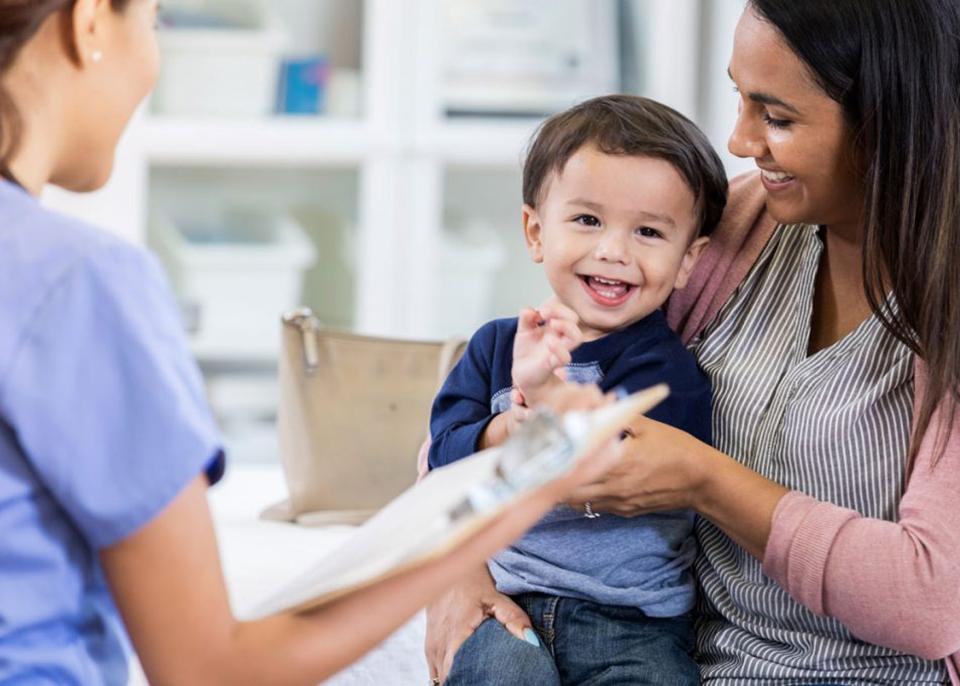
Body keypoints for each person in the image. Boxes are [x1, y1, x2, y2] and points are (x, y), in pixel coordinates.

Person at [0, 1, 624, 684]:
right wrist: (517, 500)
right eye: (151, 20)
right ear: (88, 21)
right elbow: (210, 669)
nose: (152, 62)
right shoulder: (80, 281)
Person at [426, 1, 960, 684]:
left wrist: (704, 479)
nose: (739, 141)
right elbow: (462, 429)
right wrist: (454, 580)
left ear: (891, 122)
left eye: (777, 117)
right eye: (740, 98)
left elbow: (931, 601)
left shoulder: (938, 305)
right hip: (695, 659)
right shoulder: (736, 224)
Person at [427, 95, 727, 685]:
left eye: (647, 231)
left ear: (688, 261)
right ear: (535, 232)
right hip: (505, 599)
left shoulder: (668, 368)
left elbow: (612, 470)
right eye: (588, 220)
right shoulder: (493, 347)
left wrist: (544, 398)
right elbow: (442, 457)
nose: (613, 250)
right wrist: (504, 429)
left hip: (633, 621)